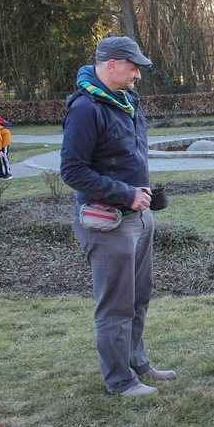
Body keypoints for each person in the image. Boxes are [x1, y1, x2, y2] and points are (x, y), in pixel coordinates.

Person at [61, 36, 176, 398]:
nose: (138, 75)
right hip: (108, 222)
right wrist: (126, 194)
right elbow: (73, 171)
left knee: (139, 296)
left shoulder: (127, 102)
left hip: (138, 218)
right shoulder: (86, 109)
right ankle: (120, 381)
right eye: (133, 67)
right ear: (111, 65)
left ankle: (137, 364)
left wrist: (140, 196)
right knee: (116, 305)